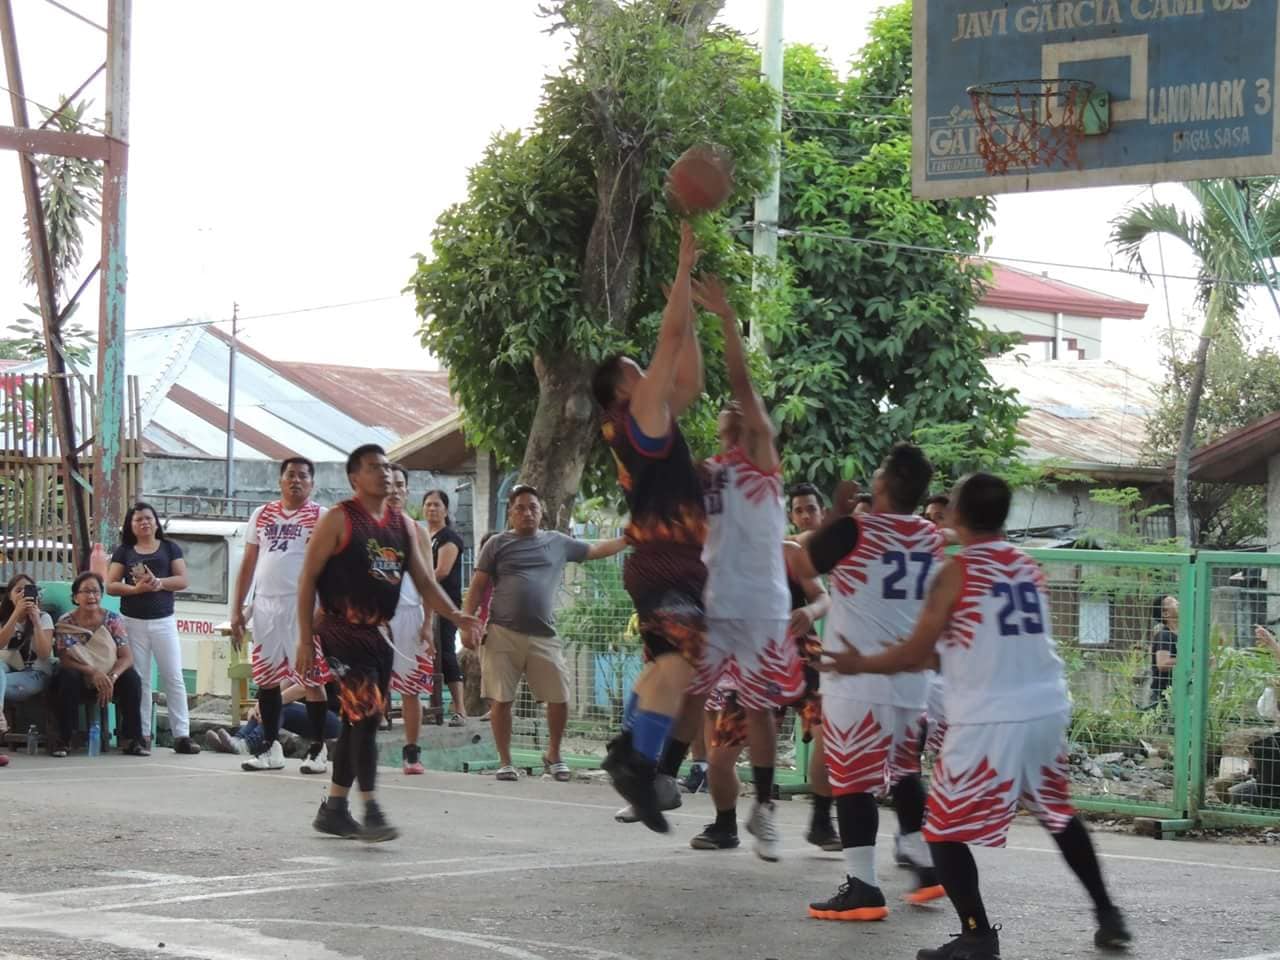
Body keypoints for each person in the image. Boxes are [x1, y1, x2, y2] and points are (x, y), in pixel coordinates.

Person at [823, 472, 1131, 958]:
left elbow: (914, 654)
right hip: (1045, 708)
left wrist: (857, 662)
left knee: (942, 831)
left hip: (992, 716)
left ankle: (976, 935)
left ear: (958, 515)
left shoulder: (958, 572)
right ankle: (1108, 914)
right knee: (1058, 815)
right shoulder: (1027, 567)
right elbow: (962, 646)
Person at [787, 444, 948, 922]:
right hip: (909, 678)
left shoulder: (857, 528)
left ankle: (864, 887)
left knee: (852, 782)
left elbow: (804, 564)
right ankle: (924, 866)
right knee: (903, 774)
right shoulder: (929, 536)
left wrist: (836, 512)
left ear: (883, 483)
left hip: (858, 676)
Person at [683, 271, 806, 860]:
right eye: (728, 411)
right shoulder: (709, 471)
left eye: (744, 409)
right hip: (717, 598)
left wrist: (727, 320)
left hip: (760, 603)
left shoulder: (760, 459)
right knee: (686, 689)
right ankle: (660, 775)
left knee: (758, 706)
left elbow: (740, 381)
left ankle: (765, 807)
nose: (735, 407)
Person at [298, 444, 479, 843]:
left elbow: (427, 582)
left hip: (380, 633)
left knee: (357, 722)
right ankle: (371, 807)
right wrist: (303, 640)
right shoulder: (339, 520)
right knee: (365, 719)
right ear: (354, 478)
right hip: (340, 631)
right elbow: (308, 578)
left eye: (387, 468)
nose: (383, 474)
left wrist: (457, 615)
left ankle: (334, 809)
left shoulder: (400, 526)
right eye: (373, 468)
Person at [591, 220, 708, 833]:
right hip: (664, 559)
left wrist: (688, 320)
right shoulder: (634, 411)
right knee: (678, 665)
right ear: (622, 385)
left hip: (668, 561)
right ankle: (637, 761)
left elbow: (691, 378)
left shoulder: (648, 419)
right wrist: (683, 275)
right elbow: (668, 344)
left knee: (670, 662)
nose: (648, 374)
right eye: (637, 369)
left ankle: (627, 752)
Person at [462, 483, 626, 782]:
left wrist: (628, 538)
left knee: (560, 697)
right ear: (510, 513)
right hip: (501, 633)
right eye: (520, 507)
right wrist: (467, 622)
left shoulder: (557, 542)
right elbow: (477, 587)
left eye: (533, 507)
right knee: (501, 700)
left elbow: (597, 548)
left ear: (542, 513)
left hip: (544, 635)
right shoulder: (496, 544)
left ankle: (554, 754)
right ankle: (505, 761)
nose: (527, 512)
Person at [690, 539, 831, 855]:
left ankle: (822, 820)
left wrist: (809, 611)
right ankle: (725, 824)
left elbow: (823, 597)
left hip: (803, 655)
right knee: (721, 757)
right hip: (751, 661)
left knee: (830, 733)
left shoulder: (791, 553)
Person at [230, 457, 331, 773]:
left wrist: (324, 609)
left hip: (301, 608)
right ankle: (269, 747)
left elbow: (330, 569)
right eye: (290, 475)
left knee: (311, 678)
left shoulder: (321, 517)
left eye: (303, 476)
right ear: (280, 480)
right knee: (267, 679)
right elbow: (249, 564)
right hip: (265, 608)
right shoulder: (261, 515)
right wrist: (238, 609)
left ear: (312, 483)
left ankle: (317, 750)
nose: (296, 480)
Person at [106, 501, 200, 754]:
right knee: (142, 680)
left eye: (148, 518)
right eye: (138, 520)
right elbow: (111, 585)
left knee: (173, 677)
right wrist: (135, 589)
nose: (144, 523)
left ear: (156, 522)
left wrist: (159, 583)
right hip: (133, 621)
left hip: (163, 620)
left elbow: (182, 580)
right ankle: (141, 734)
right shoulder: (124, 551)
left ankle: (182, 735)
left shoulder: (170, 548)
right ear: (131, 526)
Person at [49, 572, 147, 757]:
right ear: (75, 597)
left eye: (95, 591)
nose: (91, 596)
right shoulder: (66, 622)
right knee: (65, 676)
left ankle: (134, 739)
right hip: (81, 677)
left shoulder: (112, 620)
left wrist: (112, 676)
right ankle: (64, 740)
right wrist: (92, 672)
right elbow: (64, 658)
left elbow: (126, 657)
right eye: (86, 591)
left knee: (132, 679)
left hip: (109, 679)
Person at [388, 464, 436, 774]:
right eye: (387, 483)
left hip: (409, 615)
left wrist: (428, 623)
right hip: (373, 618)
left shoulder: (416, 531)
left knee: (410, 688)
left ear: (407, 492)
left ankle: (412, 752)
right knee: (367, 687)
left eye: (399, 485)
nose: (393, 490)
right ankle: (360, 748)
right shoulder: (362, 527)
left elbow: (429, 581)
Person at [423, 489, 467, 726]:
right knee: (426, 655)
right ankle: (431, 705)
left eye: (436, 505)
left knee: (446, 654)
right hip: (424, 604)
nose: (432, 509)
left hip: (445, 605)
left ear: (446, 510)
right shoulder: (424, 536)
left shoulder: (448, 538)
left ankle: (460, 709)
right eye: (428, 504)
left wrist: (415, 583)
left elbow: (441, 572)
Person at [206, 681, 342, 757]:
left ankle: (248, 745)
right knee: (270, 705)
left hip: (331, 719)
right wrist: (258, 706)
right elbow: (281, 683)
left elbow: (305, 687)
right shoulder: (293, 653)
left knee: (280, 707)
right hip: (305, 716)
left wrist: (271, 704)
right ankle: (237, 740)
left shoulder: (320, 652)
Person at [1, 573, 55, 761]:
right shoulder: (5, 619)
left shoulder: (44, 617)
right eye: (18, 591)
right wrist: (16, 614)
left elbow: (44, 653)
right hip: (8, 670)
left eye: (28, 590)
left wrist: (35, 620)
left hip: (36, 674)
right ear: (9, 596)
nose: (24, 594)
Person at [1147, 595, 1178, 711]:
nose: (1179, 604)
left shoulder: (1187, 635)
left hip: (1182, 693)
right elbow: (1163, 664)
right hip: (1164, 696)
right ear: (1165, 614)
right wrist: (1191, 659)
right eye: (1174, 603)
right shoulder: (1164, 635)